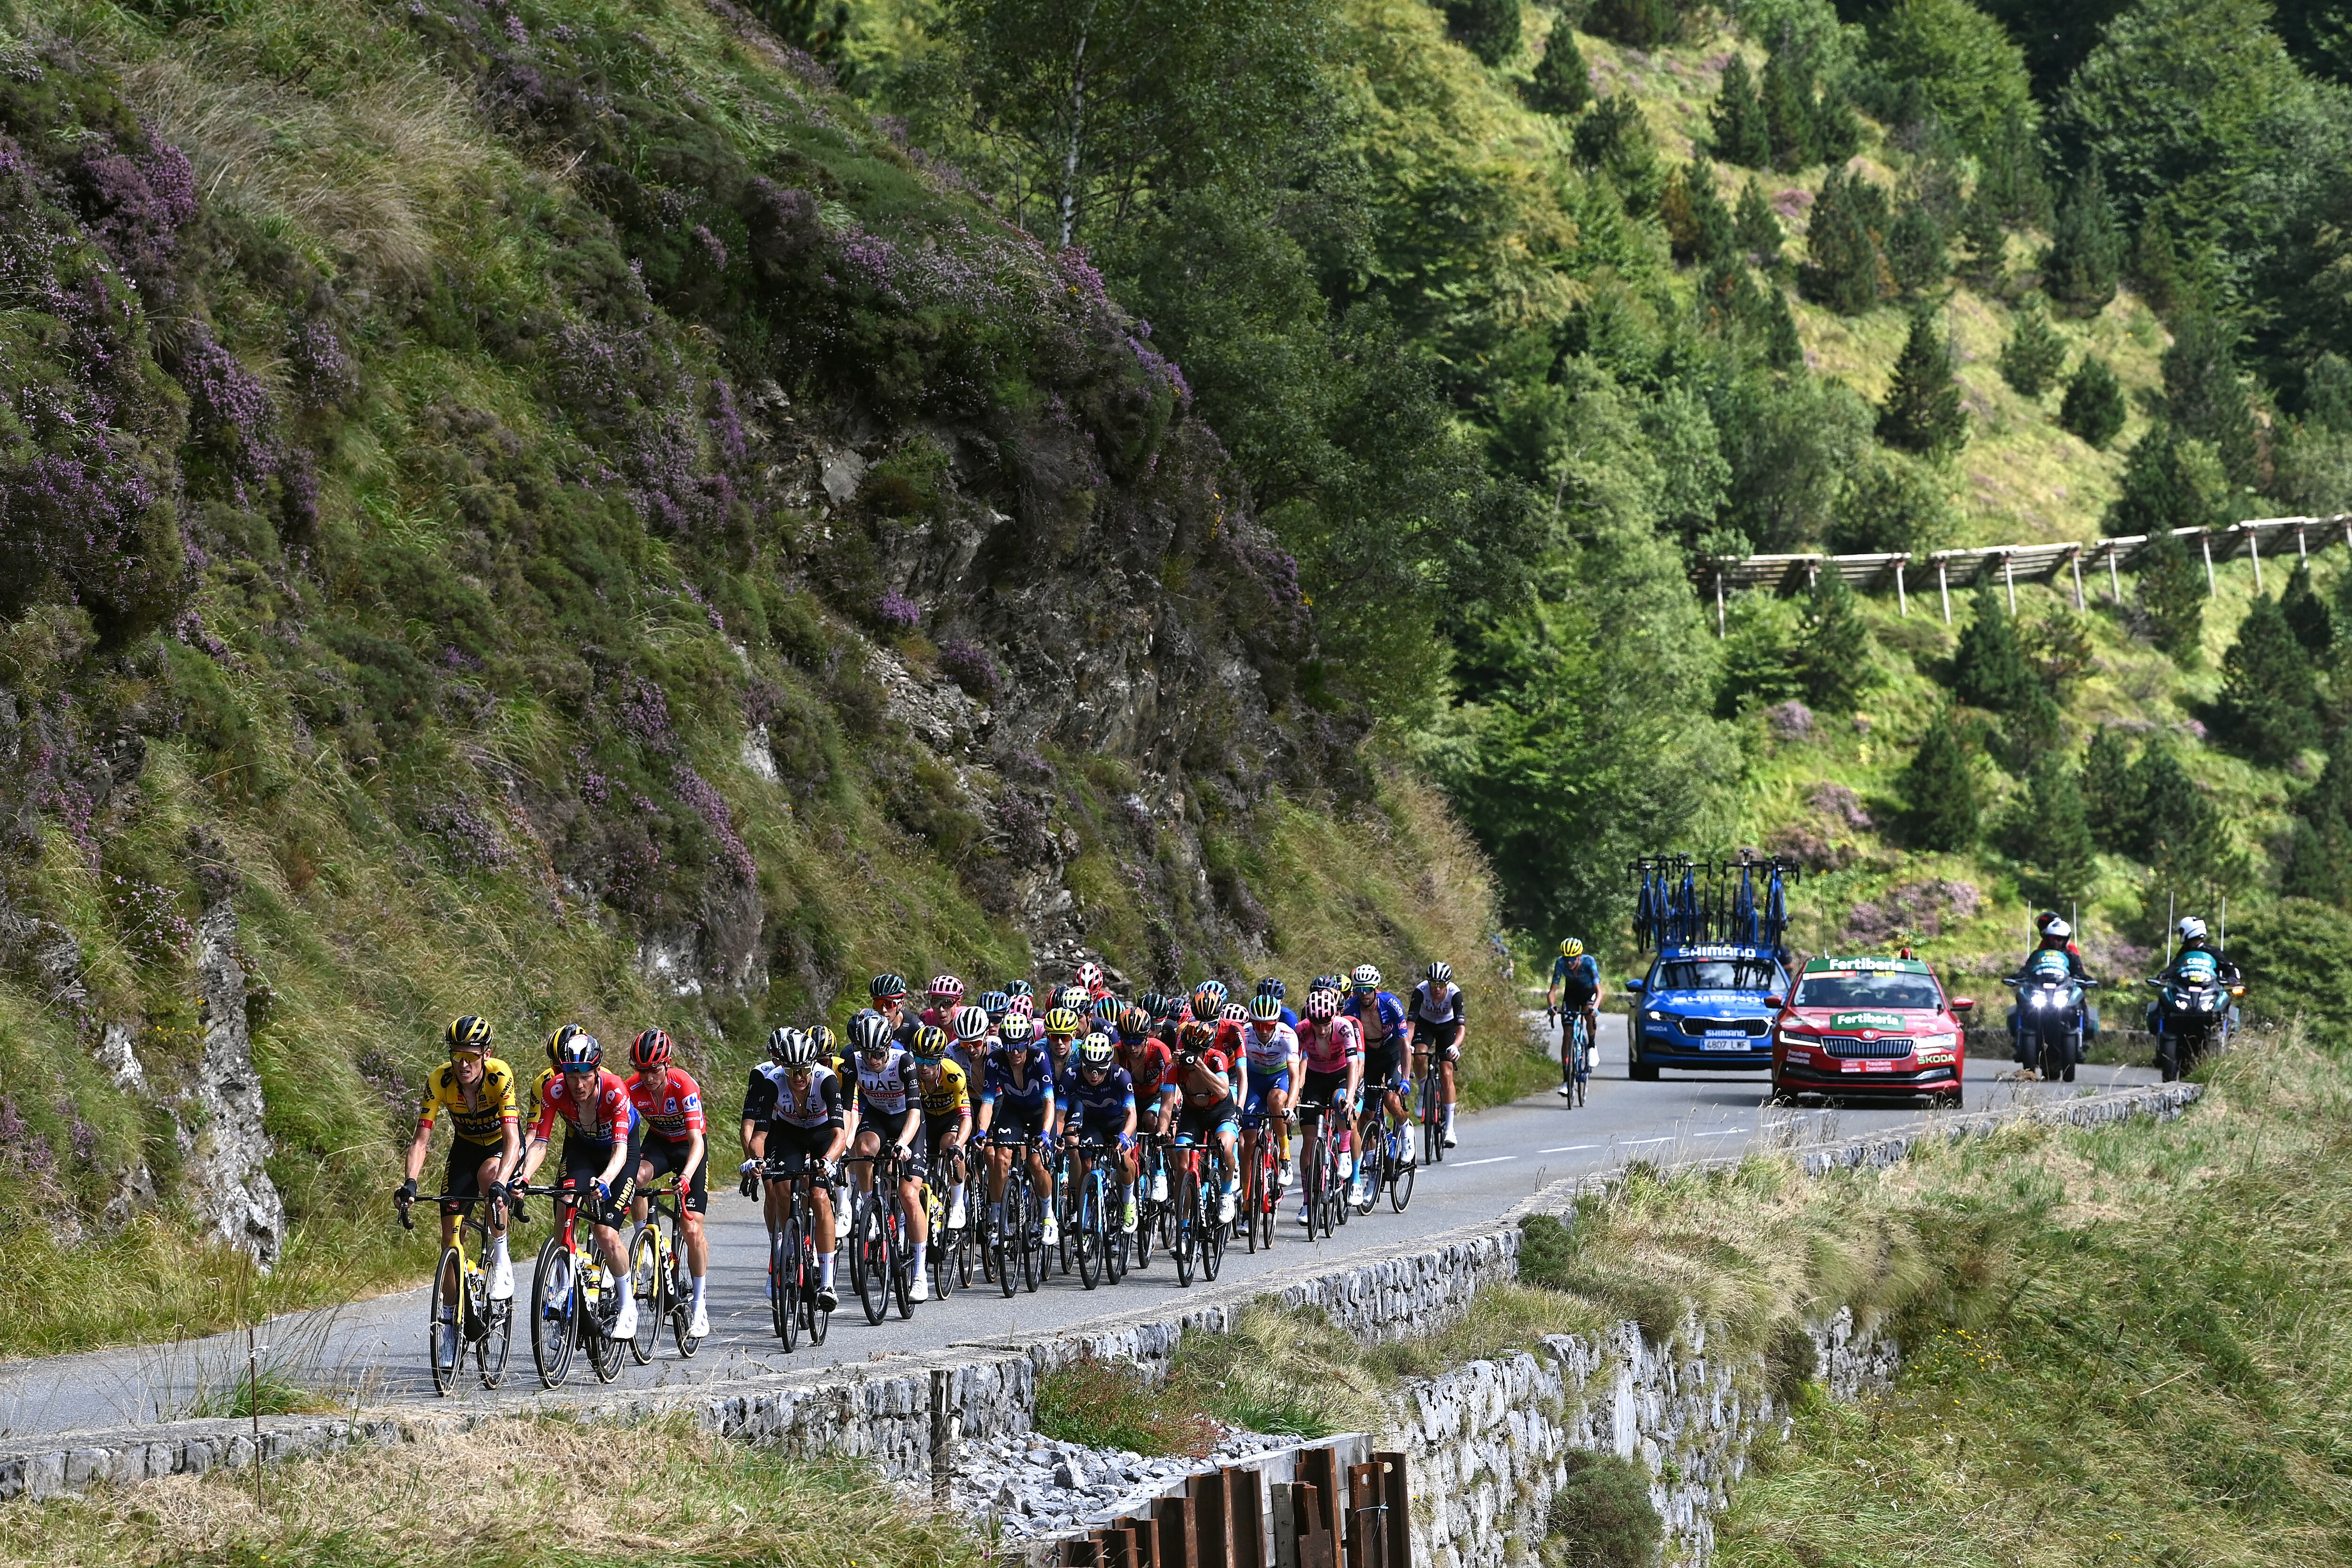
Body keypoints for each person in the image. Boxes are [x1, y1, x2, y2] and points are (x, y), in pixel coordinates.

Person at [401, 1016, 521, 1370]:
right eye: (457, 1056)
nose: (463, 1064)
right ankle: (452, 1324)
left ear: (486, 1054)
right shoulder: (440, 1079)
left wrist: (503, 1179)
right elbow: (421, 1140)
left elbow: (514, 1138)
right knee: (450, 1239)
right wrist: (410, 1182)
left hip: (503, 1148)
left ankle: (500, 1256)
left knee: (490, 1176)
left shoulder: (500, 1076)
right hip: (464, 1150)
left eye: (470, 1056)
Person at [511, 1031, 642, 1343]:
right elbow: (540, 1142)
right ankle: (564, 1286)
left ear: (597, 1071)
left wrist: (606, 1180)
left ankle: (628, 1306)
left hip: (619, 1152)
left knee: (606, 1233)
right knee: (566, 1201)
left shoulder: (615, 1091)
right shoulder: (554, 1089)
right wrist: (523, 1176)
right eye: (571, 1076)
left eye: (584, 1076)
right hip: (582, 1147)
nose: (578, 1084)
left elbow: (621, 1151)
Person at [746, 1027, 847, 1312]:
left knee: (818, 1196)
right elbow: (760, 1136)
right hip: (790, 1133)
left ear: (813, 1065)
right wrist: (757, 1160)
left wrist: (828, 1160)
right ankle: (791, 1247)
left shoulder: (827, 1081)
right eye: (792, 1071)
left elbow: (840, 1136)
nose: (799, 1077)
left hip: (822, 1134)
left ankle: (827, 1282)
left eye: (804, 1070)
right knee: (780, 1186)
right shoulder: (772, 1082)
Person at [623, 1027, 711, 1338]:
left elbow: (697, 1141)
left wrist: (686, 1175)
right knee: (635, 1178)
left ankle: (700, 1306)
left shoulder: (683, 1085)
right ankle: (645, 1247)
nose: (649, 1077)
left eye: (655, 1069)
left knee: (691, 1229)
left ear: (667, 1063)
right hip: (659, 1142)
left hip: (690, 1148)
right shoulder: (631, 1088)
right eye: (642, 1070)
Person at [849, 1010, 934, 1301]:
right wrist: (847, 1142)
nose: (872, 1060)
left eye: (878, 1053)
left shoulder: (904, 1063)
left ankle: (921, 1274)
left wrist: (903, 1143)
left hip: (907, 1121)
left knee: (909, 1194)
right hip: (877, 1116)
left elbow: (914, 1110)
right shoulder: (854, 1062)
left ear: (889, 1047)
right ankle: (868, 1203)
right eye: (867, 1053)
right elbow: (848, 1109)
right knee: (862, 1150)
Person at [977, 1011, 1059, 1248]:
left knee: (1035, 1163)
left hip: (1038, 1113)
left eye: (1020, 1044)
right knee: (1000, 1158)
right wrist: (983, 1131)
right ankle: (998, 1220)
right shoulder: (994, 1060)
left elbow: (1049, 1103)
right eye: (1009, 1045)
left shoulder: (1039, 1058)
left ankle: (1047, 1215)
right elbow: (988, 1102)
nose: (1014, 1052)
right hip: (1013, 1111)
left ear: (1029, 1042)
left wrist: (1045, 1133)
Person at [1294, 987, 1363, 1225]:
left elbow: (1354, 1066)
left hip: (1340, 1076)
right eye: (1316, 1023)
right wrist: (1294, 1097)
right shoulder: (1302, 1031)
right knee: (1309, 1141)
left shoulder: (1344, 1027)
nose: (1322, 1029)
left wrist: (1351, 1098)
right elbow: (1295, 1064)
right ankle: (1307, 1202)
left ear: (1333, 1016)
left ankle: (1344, 1151)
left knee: (1341, 1102)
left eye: (1326, 1023)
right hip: (1315, 1078)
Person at [1063, 1032, 1142, 1233]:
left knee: (1122, 1156)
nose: (1094, 1075)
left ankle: (1128, 1200)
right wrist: (1056, 1135)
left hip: (1120, 1123)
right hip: (1093, 1122)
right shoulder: (1072, 1075)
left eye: (1099, 1070)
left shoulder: (1120, 1076)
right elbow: (1060, 1112)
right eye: (1089, 1068)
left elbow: (1132, 1114)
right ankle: (1086, 1209)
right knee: (1086, 1160)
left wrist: (1125, 1135)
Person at [1170, 1019, 1242, 1225]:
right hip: (1193, 1114)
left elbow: (1222, 1091)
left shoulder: (1217, 1058)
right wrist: (1162, 1130)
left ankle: (1226, 1194)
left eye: (1199, 1050)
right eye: (1190, 1049)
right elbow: (1167, 1106)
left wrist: (1200, 1065)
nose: (1193, 1054)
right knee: (1183, 1164)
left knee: (1225, 1147)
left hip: (1221, 1110)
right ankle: (1182, 1228)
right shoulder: (1175, 1066)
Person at [1342, 964, 1413, 1168]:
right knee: (1367, 1114)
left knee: (1391, 1099)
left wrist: (1406, 1079)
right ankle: (1373, 1163)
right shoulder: (1351, 1008)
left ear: (1376, 988)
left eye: (1368, 989)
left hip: (1392, 1054)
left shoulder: (1390, 1004)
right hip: (1369, 1057)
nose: (1363, 994)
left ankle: (1406, 1129)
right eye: (1359, 990)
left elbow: (1405, 1044)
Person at [910, 1024, 974, 1231]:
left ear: (940, 1059)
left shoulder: (954, 1075)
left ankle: (957, 1204)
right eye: (919, 1059)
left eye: (930, 1061)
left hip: (949, 1118)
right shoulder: (908, 1073)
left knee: (950, 1145)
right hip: (925, 1120)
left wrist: (959, 1145)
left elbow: (966, 1119)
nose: (924, 1067)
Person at [1112, 1004, 1175, 1203]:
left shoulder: (1161, 1051)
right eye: (1127, 1040)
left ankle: (1159, 1172)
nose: (1132, 1047)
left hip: (1156, 1097)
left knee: (1151, 1119)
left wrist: (1165, 1126)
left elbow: (1169, 1095)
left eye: (1137, 1040)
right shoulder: (1117, 1052)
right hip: (1129, 1099)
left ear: (1147, 1036)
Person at [1239, 994, 1301, 1196]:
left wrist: (1290, 1107)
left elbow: (1294, 1075)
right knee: (1248, 1142)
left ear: (1277, 1022)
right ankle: (1247, 1202)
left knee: (1275, 1100)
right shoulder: (1245, 1035)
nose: (1264, 1031)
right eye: (1259, 1025)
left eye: (1269, 1025)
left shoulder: (1288, 1035)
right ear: (1251, 1022)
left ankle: (1285, 1156)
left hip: (1279, 1076)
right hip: (1254, 1079)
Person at [1408, 962, 1465, 1148]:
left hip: (1447, 1027)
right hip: (1425, 1024)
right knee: (1419, 1055)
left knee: (1447, 1071)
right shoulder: (1420, 992)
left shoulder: (1454, 994)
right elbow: (1411, 1024)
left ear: (1448, 984)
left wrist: (1456, 1046)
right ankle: (1424, 1090)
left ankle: (1450, 1129)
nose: (1437, 989)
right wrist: (1408, 1045)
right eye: (1433, 984)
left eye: (1441, 985)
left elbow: (1461, 1028)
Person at [1547, 940, 1603, 1098]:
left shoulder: (1589, 962)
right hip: (1571, 995)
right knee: (1567, 1035)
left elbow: (1599, 991)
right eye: (1567, 959)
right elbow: (1553, 990)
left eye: (1572, 959)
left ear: (1580, 956)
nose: (1569, 962)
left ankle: (1591, 1045)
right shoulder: (1561, 963)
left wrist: (1596, 1008)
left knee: (1588, 1012)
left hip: (1589, 994)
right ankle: (1566, 1081)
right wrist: (1552, 1006)